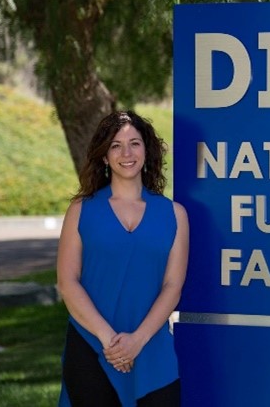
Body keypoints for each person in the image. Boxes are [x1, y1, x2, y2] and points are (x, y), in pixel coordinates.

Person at [56, 111, 189, 406]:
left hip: (152, 347)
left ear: (147, 151)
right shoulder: (81, 210)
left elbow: (172, 286)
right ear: (104, 156)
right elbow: (67, 282)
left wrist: (136, 341)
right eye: (116, 145)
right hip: (91, 346)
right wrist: (110, 342)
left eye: (134, 143)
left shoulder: (174, 215)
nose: (126, 153)